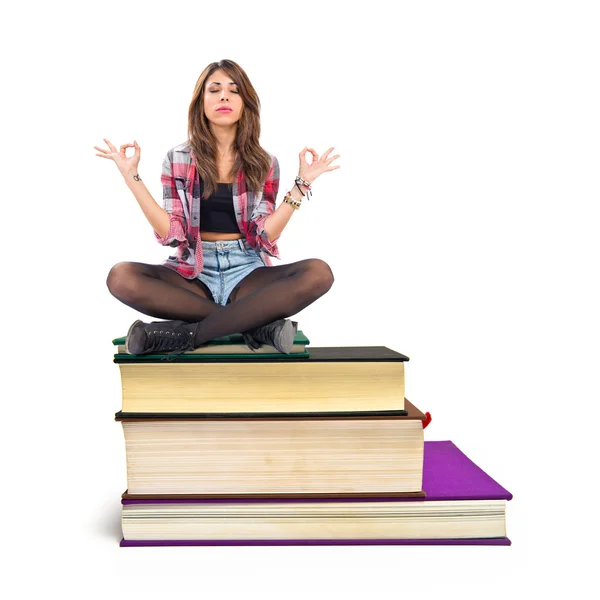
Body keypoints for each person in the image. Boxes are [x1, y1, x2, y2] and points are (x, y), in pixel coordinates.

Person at [95, 59, 340, 359]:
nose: (224, 96)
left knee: (318, 273)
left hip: (247, 270)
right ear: (201, 102)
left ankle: (186, 334)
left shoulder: (265, 163)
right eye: (214, 89)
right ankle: (255, 325)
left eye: (233, 90)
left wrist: (301, 186)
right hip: (192, 272)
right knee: (121, 277)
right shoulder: (178, 158)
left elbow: (263, 236)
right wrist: (131, 177)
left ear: (244, 103)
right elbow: (173, 233)